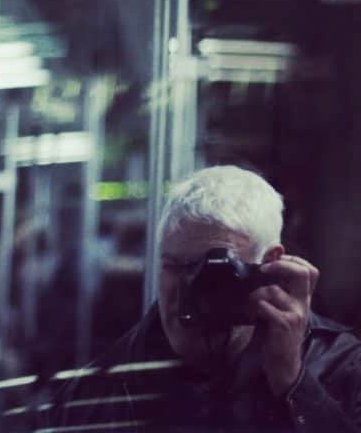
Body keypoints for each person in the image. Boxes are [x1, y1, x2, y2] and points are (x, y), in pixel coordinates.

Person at [56, 166, 361, 432]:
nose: (186, 291)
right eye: (173, 267)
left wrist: (294, 384)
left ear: (269, 264)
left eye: (210, 272)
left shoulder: (341, 367)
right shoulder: (98, 391)